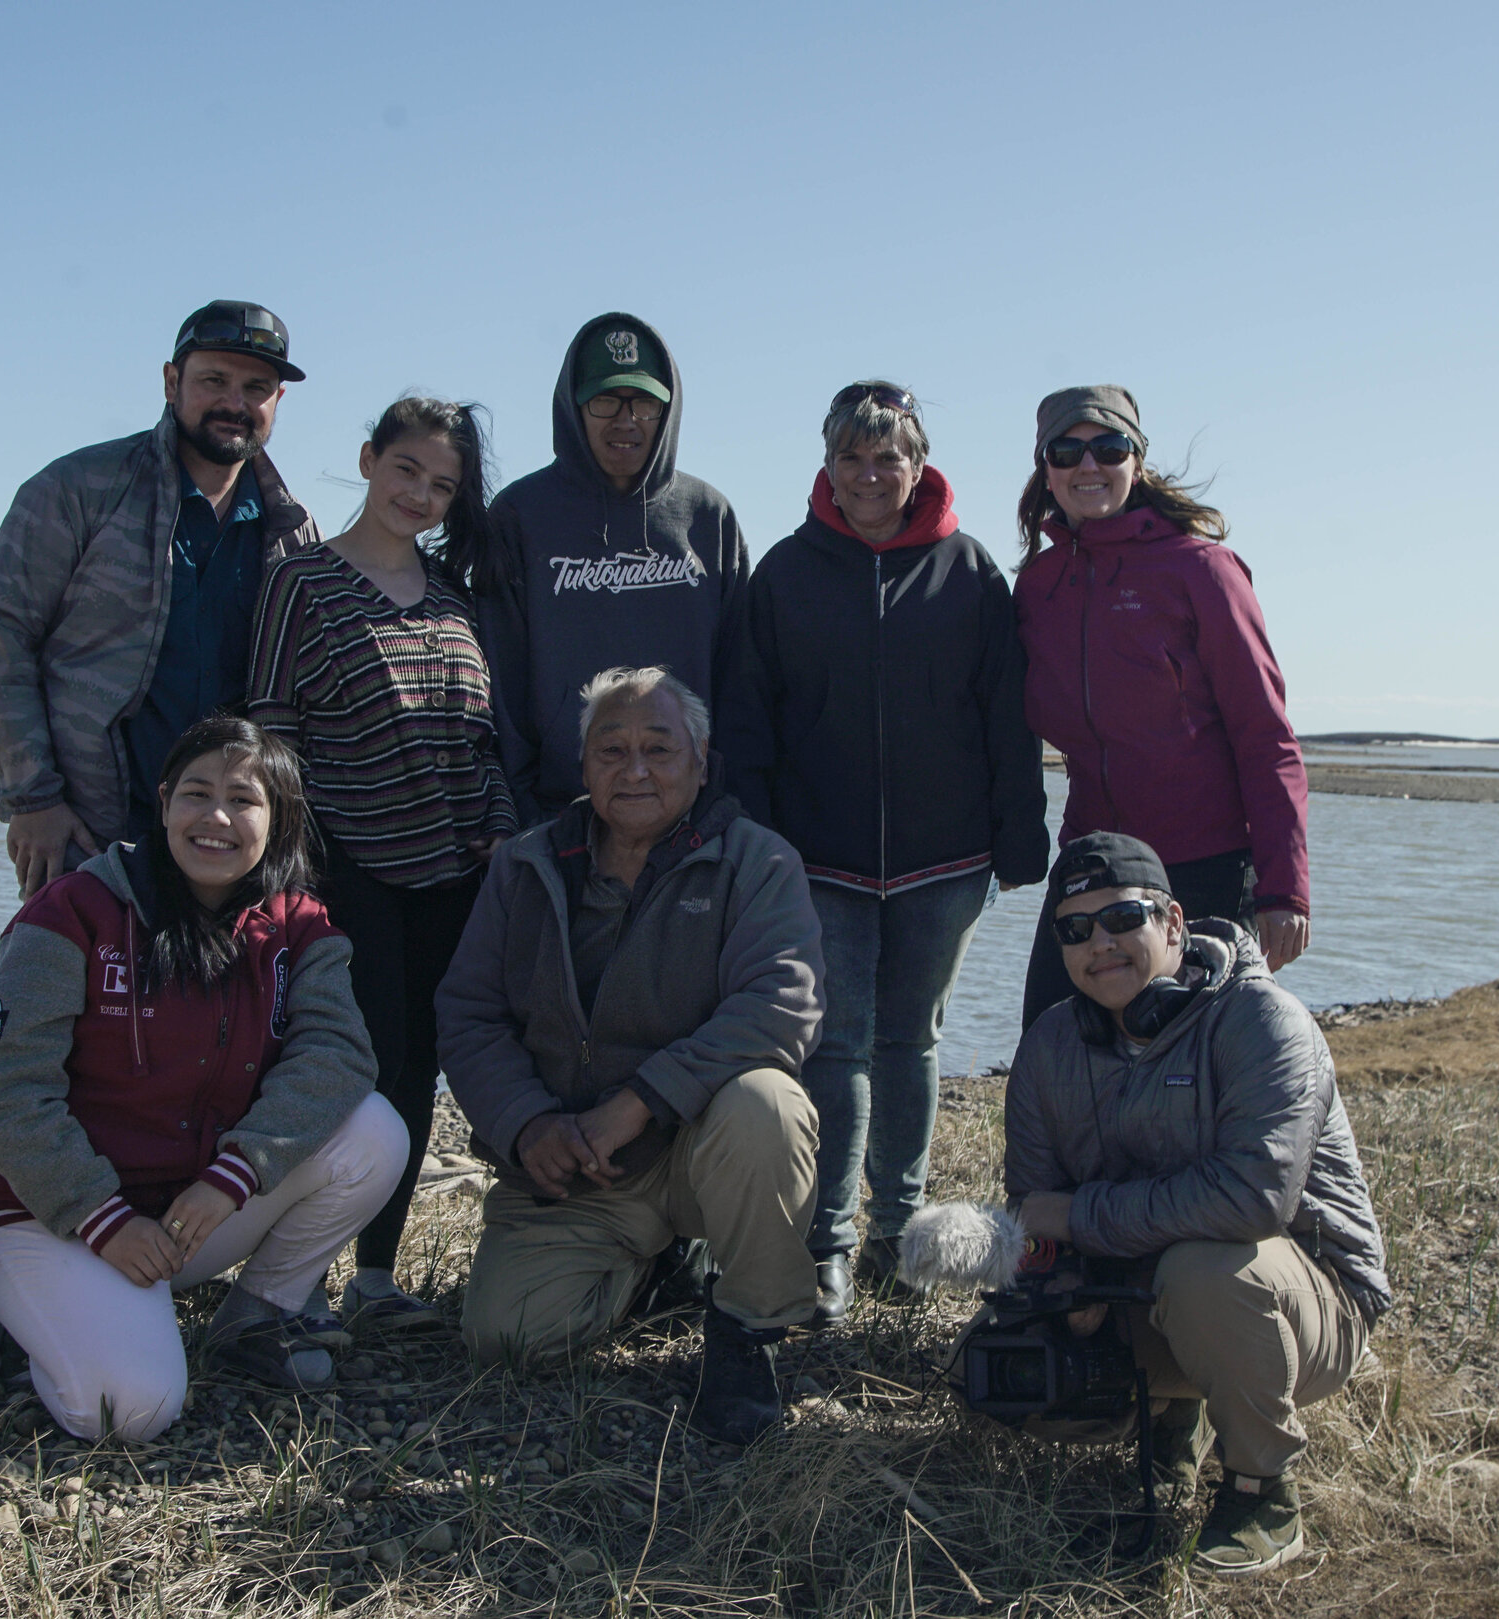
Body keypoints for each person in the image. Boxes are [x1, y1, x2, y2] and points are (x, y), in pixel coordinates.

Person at [0, 716, 404, 1442]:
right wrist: (101, 1217)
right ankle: (33, 1325)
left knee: (375, 1130)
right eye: (196, 793)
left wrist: (235, 1172)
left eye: (244, 799)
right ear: (163, 803)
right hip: (54, 1215)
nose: (217, 817)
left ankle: (258, 1316)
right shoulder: (74, 908)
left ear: (279, 818)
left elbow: (339, 1055)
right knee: (128, 1410)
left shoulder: (299, 923)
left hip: (187, 1211)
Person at [727, 382, 1048, 1320]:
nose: (870, 475)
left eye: (888, 457)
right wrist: (752, 834)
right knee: (837, 1043)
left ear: (919, 464)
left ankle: (896, 1235)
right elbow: (750, 717)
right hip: (817, 858)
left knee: (912, 1041)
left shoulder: (969, 570)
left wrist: (1019, 837)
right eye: (852, 458)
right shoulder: (787, 572)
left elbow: (1007, 716)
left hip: (944, 862)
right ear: (827, 464)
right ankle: (825, 1242)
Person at [438, 667, 823, 1445]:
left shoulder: (759, 861)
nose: (635, 768)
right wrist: (526, 1125)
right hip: (579, 1165)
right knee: (506, 1336)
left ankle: (747, 1329)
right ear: (583, 768)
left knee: (766, 1107)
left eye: (659, 747)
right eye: (611, 750)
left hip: (695, 1148)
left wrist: (640, 1100)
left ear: (702, 760)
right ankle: (653, 1271)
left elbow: (780, 1005)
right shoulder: (523, 865)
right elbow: (468, 1014)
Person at [1003, 832, 1388, 1575]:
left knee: (1207, 1272)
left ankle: (1260, 1491)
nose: (1100, 944)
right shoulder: (1050, 1043)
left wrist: (1079, 1219)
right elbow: (1032, 1202)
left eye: (1122, 918)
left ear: (1174, 923)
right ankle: (1173, 1416)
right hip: (1143, 1283)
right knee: (1007, 1369)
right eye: (1075, 929)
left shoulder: (1265, 1022)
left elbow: (1252, 1200)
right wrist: (1064, 1284)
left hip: (1307, 1297)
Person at [246, 396, 515, 1335]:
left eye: (443, 485)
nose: (422, 495)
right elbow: (273, 726)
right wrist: (295, 869)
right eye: (408, 470)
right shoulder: (303, 583)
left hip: (452, 869)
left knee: (418, 1069)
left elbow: (481, 739)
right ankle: (292, 1279)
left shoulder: (454, 598)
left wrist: (495, 826)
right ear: (368, 460)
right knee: (350, 1068)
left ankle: (376, 1276)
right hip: (345, 865)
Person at [0, 299, 320, 898]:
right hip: (86, 834)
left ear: (277, 403)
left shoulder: (293, 530)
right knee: (65, 989)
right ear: (171, 381)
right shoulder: (76, 490)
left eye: (256, 388)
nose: (235, 402)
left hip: (228, 844)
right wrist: (33, 799)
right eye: (214, 381)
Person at [1012, 386, 1310, 1032]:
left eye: (1108, 447)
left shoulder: (1201, 569)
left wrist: (1284, 889)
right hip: (1092, 861)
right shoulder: (1039, 586)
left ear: (1137, 461)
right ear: (1046, 470)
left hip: (1203, 865)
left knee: (1195, 1069)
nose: (1088, 465)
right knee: (1052, 1046)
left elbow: (1267, 737)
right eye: (1067, 451)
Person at [480, 313, 750, 819]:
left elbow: (739, 682)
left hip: (689, 819)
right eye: (605, 401)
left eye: (645, 403)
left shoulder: (708, 517)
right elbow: (501, 686)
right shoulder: (520, 516)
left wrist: (723, 803)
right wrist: (518, 811)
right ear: (573, 406)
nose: (626, 421)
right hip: (557, 817)